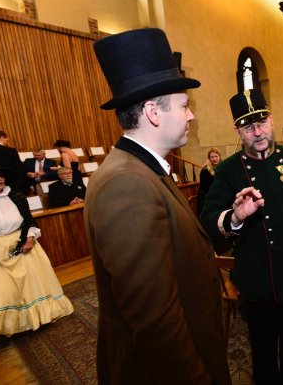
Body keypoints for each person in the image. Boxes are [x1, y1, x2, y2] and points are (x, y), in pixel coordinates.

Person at [86, 28, 230, 384]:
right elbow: (155, 324)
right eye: (184, 105)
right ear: (153, 112)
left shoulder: (145, 169)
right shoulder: (127, 184)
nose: (191, 115)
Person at [201, 88, 283, 385]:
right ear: (238, 130)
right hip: (256, 276)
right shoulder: (228, 169)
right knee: (262, 350)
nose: (257, 132)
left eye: (261, 123)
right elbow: (208, 219)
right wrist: (235, 217)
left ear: (271, 121)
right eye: (248, 127)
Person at [0, 164, 73, 346]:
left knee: (31, 287)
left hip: (22, 246)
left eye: (0, 174)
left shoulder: (15, 196)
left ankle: (35, 320)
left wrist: (30, 238)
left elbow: (29, 221)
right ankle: (4, 327)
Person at [197, 148, 222, 215]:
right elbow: (207, 188)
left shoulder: (223, 167)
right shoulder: (205, 170)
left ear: (220, 157)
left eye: (216, 156)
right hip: (208, 198)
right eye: (212, 157)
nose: (214, 159)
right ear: (209, 158)